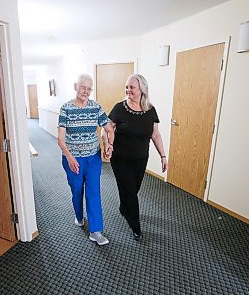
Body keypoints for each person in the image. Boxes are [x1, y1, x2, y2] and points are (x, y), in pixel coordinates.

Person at [104, 74, 168, 241]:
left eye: (132, 87)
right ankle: (136, 227)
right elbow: (107, 129)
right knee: (131, 192)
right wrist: (107, 144)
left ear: (142, 89)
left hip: (140, 159)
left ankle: (124, 208)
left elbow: (155, 134)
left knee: (133, 189)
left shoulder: (150, 110)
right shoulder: (119, 108)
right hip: (120, 159)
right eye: (127, 87)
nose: (128, 90)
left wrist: (163, 155)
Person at [58, 74, 114, 246]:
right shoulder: (66, 108)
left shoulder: (96, 107)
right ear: (76, 86)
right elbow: (60, 138)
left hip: (93, 158)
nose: (86, 92)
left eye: (89, 89)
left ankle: (95, 231)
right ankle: (78, 215)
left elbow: (108, 128)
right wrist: (69, 157)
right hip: (73, 158)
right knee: (76, 190)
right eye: (84, 88)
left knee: (93, 191)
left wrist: (107, 143)